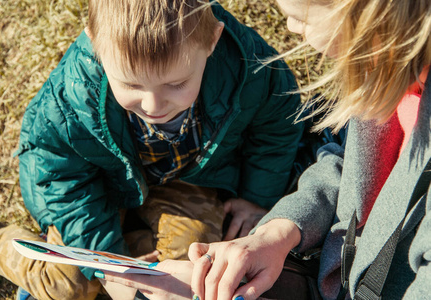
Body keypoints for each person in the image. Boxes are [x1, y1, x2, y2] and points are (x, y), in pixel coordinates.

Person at [98, 0, 431, 299]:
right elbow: (355, 165)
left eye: (302, 19)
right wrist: (281, 230)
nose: (290, 28)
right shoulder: (387, 63)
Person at [0, 0, 303, 299]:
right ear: (95, 44)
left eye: (176, 84)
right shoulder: (72, 96)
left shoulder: (246, 64)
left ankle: (134, 245)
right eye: (131, 85)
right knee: (70, 284)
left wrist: (256, 199)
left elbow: (277, 125)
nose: (153, 105)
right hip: (98, 189)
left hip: (187, 180)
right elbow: (61, 178)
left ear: (212, 41)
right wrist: (108, 261)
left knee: (190, 276)